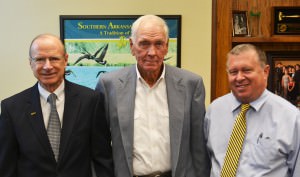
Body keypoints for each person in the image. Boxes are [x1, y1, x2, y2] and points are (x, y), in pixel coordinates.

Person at [95, 14, 210, 177]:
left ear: (167, 46)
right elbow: (100, 147)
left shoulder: (191, 84)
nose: (152, 52)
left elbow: (198, 147)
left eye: (158, 44)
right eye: (144, 44)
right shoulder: (109, 85)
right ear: (131, 46)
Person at [0, 34, 114, 177]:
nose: (48, 66)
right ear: (30, 63)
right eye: (40, 59)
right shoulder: (11, 108)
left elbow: (102, 159)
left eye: (54, 58)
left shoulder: (91, 101)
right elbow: (6, 166)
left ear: (65, 60)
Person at [204, 44, 300, 177]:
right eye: (233, 72)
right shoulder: (214, 110)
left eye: (247, 70)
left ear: (265, 71)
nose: (239, 77)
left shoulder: (291, 117)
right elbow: (208, 162)